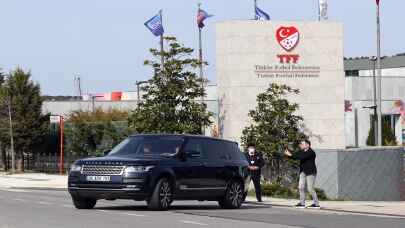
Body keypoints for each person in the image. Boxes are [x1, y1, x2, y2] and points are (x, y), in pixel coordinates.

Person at [284, 140, 320, 209]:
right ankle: (302, 203)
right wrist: (288, 153)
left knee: (310, 188)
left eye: (302, 144)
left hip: (310, 172)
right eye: (301, 144)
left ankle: (316, 204)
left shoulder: (311, 152)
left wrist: (290, 154)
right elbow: (295, 155)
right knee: (301, 187)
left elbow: (301, 157)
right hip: (303, 172)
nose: (301, 145)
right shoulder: (302, 151)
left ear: (308, 145)